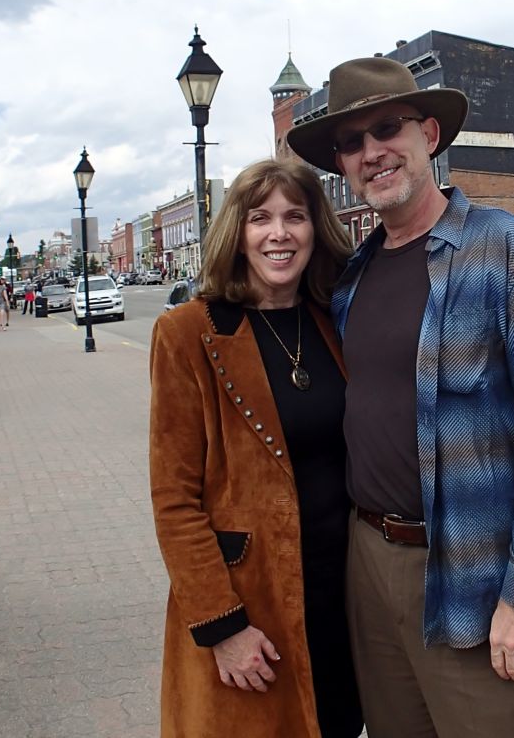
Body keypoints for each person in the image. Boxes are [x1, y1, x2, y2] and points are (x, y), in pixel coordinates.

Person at [286, 57, 514, 737]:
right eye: (352, 141)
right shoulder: (353, 279)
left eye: (387, 128)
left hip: (474, 574)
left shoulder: (512, 254)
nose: (372, 152)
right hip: (367, 565)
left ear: (430, 134)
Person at [149, 159, 362, 737]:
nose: (279, 233)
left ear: (316, 230)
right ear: (236, 234)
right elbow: (174, 501)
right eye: (260, 218)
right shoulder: (188, 333)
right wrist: (223, 627)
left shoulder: (331, 320)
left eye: (296, 216)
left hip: (339, 597)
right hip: (251, 603)